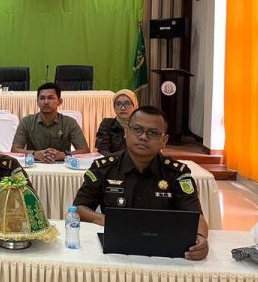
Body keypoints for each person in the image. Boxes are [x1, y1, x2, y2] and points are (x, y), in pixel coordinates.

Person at [72, 106, 209, 260]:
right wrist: (106, 221)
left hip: (163, 251)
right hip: (116, 249)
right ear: (126, 132)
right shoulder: (104, 168)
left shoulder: (177, 174)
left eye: (153, 133)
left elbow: (195, 216)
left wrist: (200, 238)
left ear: (164, 140)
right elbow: (79, 208)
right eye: (137, 129)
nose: (143, 137)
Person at [11, 82, 89, 162]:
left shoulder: (70, 123)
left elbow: (85, 151)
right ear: (37, 102)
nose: (46, 102)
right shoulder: (26, 122)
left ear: (60, 101)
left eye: (50, 98)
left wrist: (63, 155)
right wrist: (34, 154)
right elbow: (14, 150)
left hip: (62, 165)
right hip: (34, 164)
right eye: (42, 98)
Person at [95, 89, 139, 156]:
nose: (123, 108)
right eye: (118, 104)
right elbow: (102, 149)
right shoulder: (107, 124)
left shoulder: (141, 125)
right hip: (113, 161)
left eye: (127, 104)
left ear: (134, 105)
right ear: (114, 107)